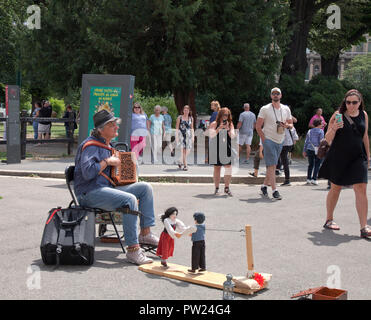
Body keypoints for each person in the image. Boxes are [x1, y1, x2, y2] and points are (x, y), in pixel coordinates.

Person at [74, 109, 159, 265]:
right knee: (130, 199)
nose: (116, 127)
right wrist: (107, 161)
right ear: (101, 128)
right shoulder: (90, 146)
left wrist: (129, 164)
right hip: (89, 193)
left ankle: (145, 234)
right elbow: (87, 173)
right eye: (112, 125)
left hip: (105, 189)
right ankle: (133, 250)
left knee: (145, 188)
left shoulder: (107, 145)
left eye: (115, 124)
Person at [318, 89, 371, 239]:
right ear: (345, 102)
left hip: (358, 157)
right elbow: (327, 139)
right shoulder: (338, 115)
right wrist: (334, 127)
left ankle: (363, 227)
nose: (351, 105)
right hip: (339, 156)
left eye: (355, 102)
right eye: (348, 102)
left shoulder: (364, 115)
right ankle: (329, 219)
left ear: (360, 103)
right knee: (336, 188)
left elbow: (365, 136)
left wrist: (368, 156)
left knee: (361, 188)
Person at [255, 87, 293, 200]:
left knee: (271, 166)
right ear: (271, 96)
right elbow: (258, 126)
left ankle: (263, 186)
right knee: (272, 166)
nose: (275, 95)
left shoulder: (286, 109)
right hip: (269, 140)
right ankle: (274, 190)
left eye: (277, 93)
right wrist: (264, 139)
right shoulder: (265, 109)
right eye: (273, 94)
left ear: (280, 96)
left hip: (280, 140)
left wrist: (287, 126)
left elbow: (291, 124)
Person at [209, 107, 236, 196]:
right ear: (220, 115)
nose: (226, 117)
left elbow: (232, 136)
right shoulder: (214, 123)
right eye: (224, 115)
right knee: (217, 168)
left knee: (228, 168)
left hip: (226, 148)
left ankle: (227, 188)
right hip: (216, 147)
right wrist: (219, 128)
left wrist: (228, 129)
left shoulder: (230, 124)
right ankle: (216, 188)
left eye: (227, 115)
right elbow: (211, 135)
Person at [303, 119, 324, 185]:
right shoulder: (321, 131)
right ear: (318, 124)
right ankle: (314, 179)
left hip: (309, 149)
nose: (323, 125)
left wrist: (304, 150)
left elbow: (306, 141)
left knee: (310, 165)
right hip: (317, 150)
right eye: (321, 123)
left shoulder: (309, 131)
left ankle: (308, 179)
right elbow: (321, 142)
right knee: (317, 165)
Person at [175, 105, 194, 171]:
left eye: (187, 110)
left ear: (189, 111)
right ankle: (185, 165)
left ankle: (180, 161)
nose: (186, 111)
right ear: (183, 111)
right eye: (185, 110)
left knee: (188, 150)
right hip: (181, 136)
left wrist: (193, 137)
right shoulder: (179, 118)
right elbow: (177, 128)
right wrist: (176, 137)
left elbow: (192, 128)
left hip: (188, 136)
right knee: (184, 151)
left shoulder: (191, 118)